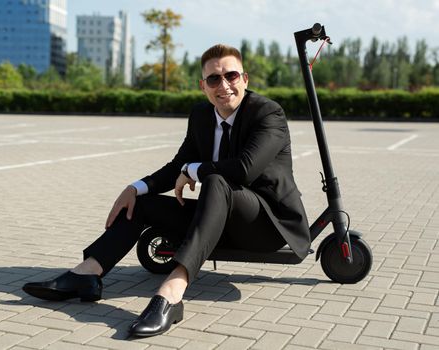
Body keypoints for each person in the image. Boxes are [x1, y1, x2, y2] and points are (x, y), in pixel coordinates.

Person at [22, 44, 311, 337]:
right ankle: (88, 274)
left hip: (264, 225)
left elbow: (244, 169)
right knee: (143, 203)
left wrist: (192, 170)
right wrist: (136, 187)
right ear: (203, 86)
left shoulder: (267, 113)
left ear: (245, 79)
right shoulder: (201, 116)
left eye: (231, 76)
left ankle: (172, 292)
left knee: (215, 180)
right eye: (213, 79)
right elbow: (178, 165)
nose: (223, 85)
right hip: (215, 219)